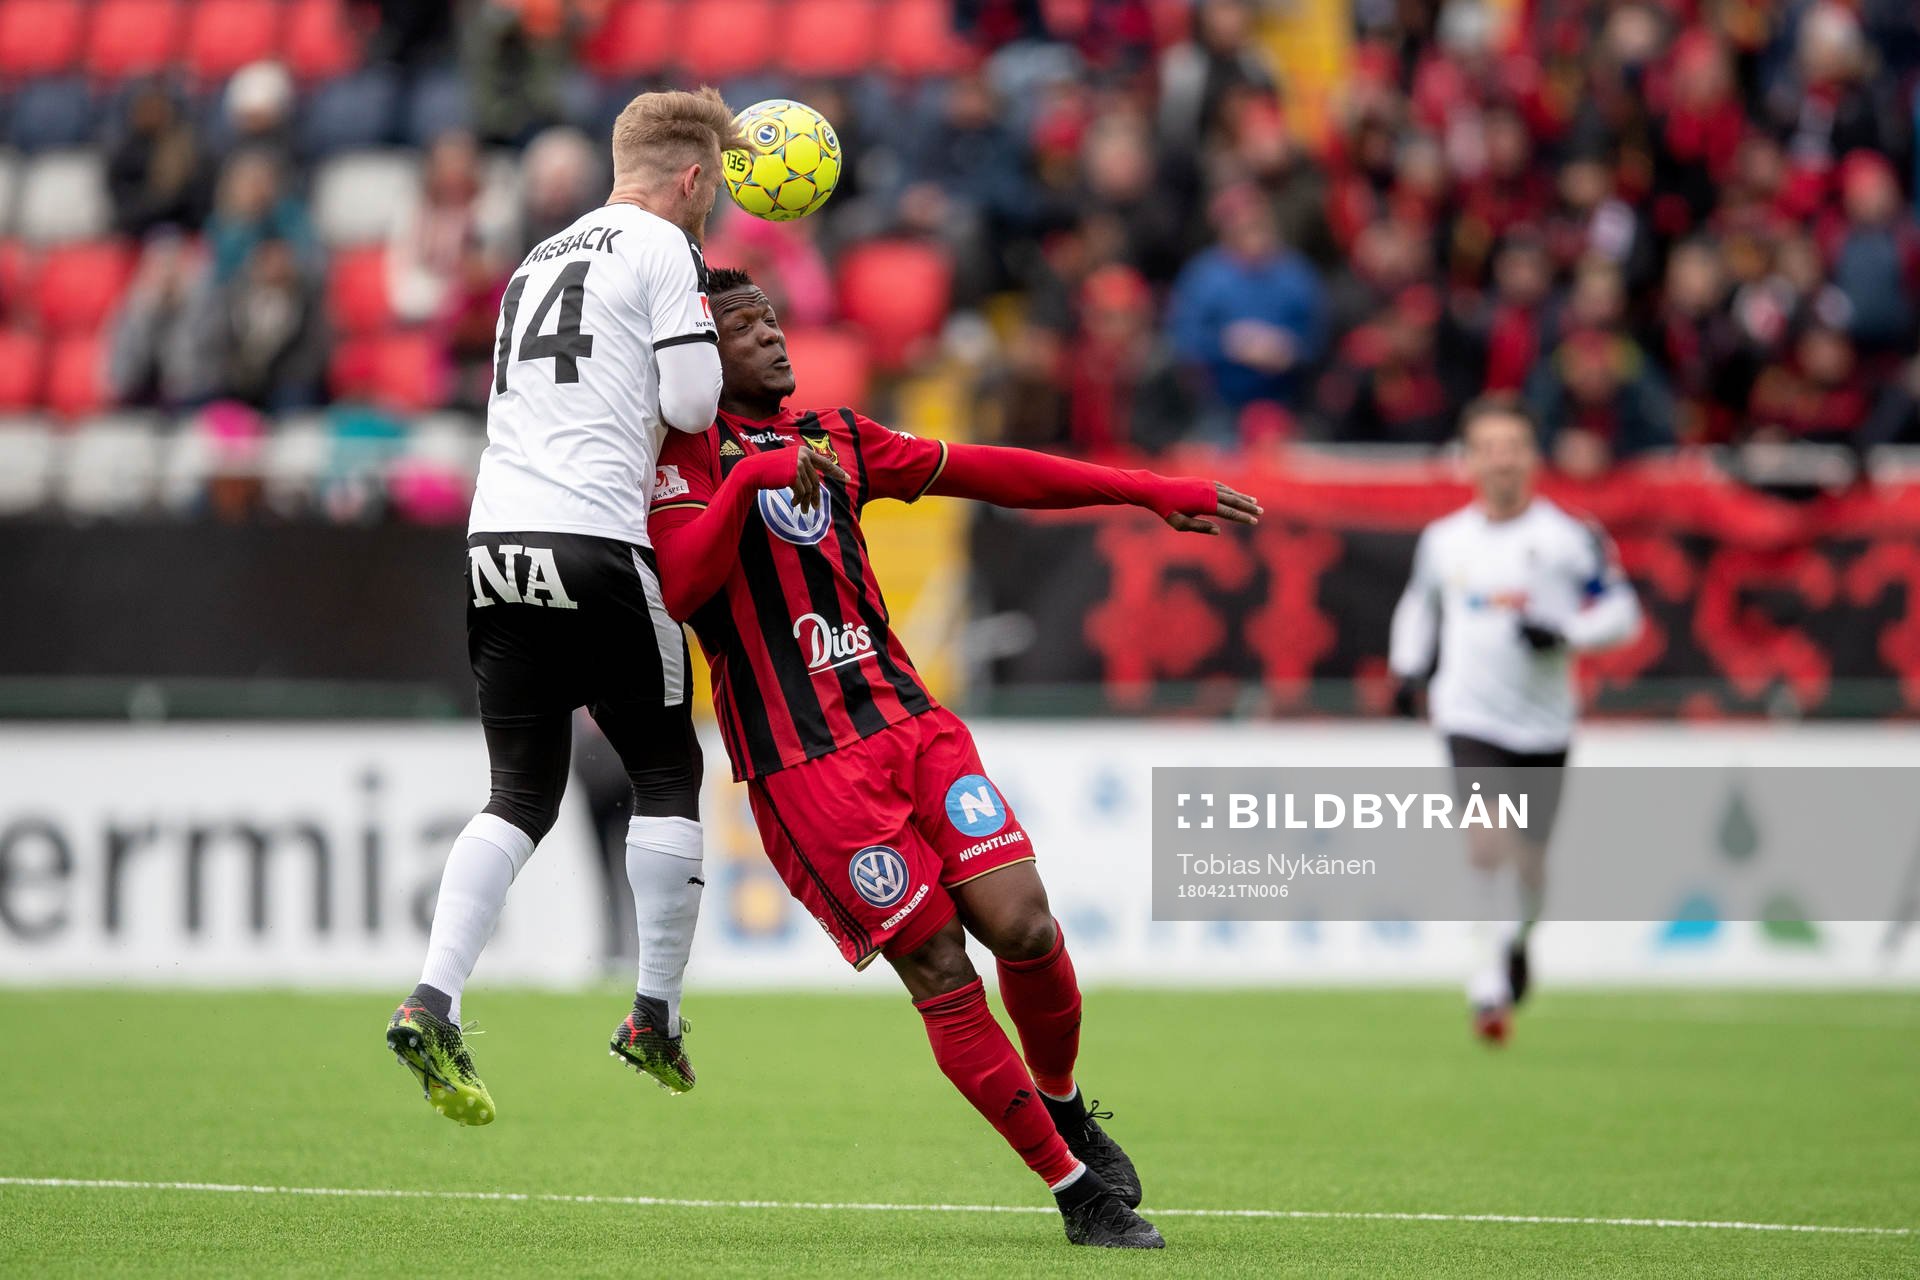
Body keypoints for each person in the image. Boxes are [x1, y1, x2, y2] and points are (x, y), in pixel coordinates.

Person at [645, 266, 1259, 1249]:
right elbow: (680, 585)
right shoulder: (678, 460)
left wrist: (1147, 492)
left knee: (1024, 925)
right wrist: (752, 479)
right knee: (939, 966)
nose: (774, 338)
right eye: (743, 326)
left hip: (913, 725)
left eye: (773, 320)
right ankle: (1076, 1194)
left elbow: (993, 469)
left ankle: (1059, 1102)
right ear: (694, 356)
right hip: (809, 768)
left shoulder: (839, 437)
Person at [385, 88, 745, 1124]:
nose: (710, 209)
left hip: (495, 542)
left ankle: (433, 996)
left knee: (518, 792)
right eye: (711, 191)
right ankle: (655, 1009)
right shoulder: (663, 250)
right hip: (597, 539)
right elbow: (688, 405)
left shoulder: (536, 259)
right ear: (690, 180)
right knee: (672, 767)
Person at [1386, 397, 1642, 1044]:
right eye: (1488, 447)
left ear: (1532, 456)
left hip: (1545, 723)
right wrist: (1408, 667)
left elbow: (1621, 611)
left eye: (1514, 446)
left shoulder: (1568, 537)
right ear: (1469, 460)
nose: (1501, 459)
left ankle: (1518, 942)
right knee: (1485, 842)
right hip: (1468, 713)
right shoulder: (1445, 540)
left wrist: (1565, 632)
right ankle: (1488, 985)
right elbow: (1421, 607)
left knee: (1530, 866)